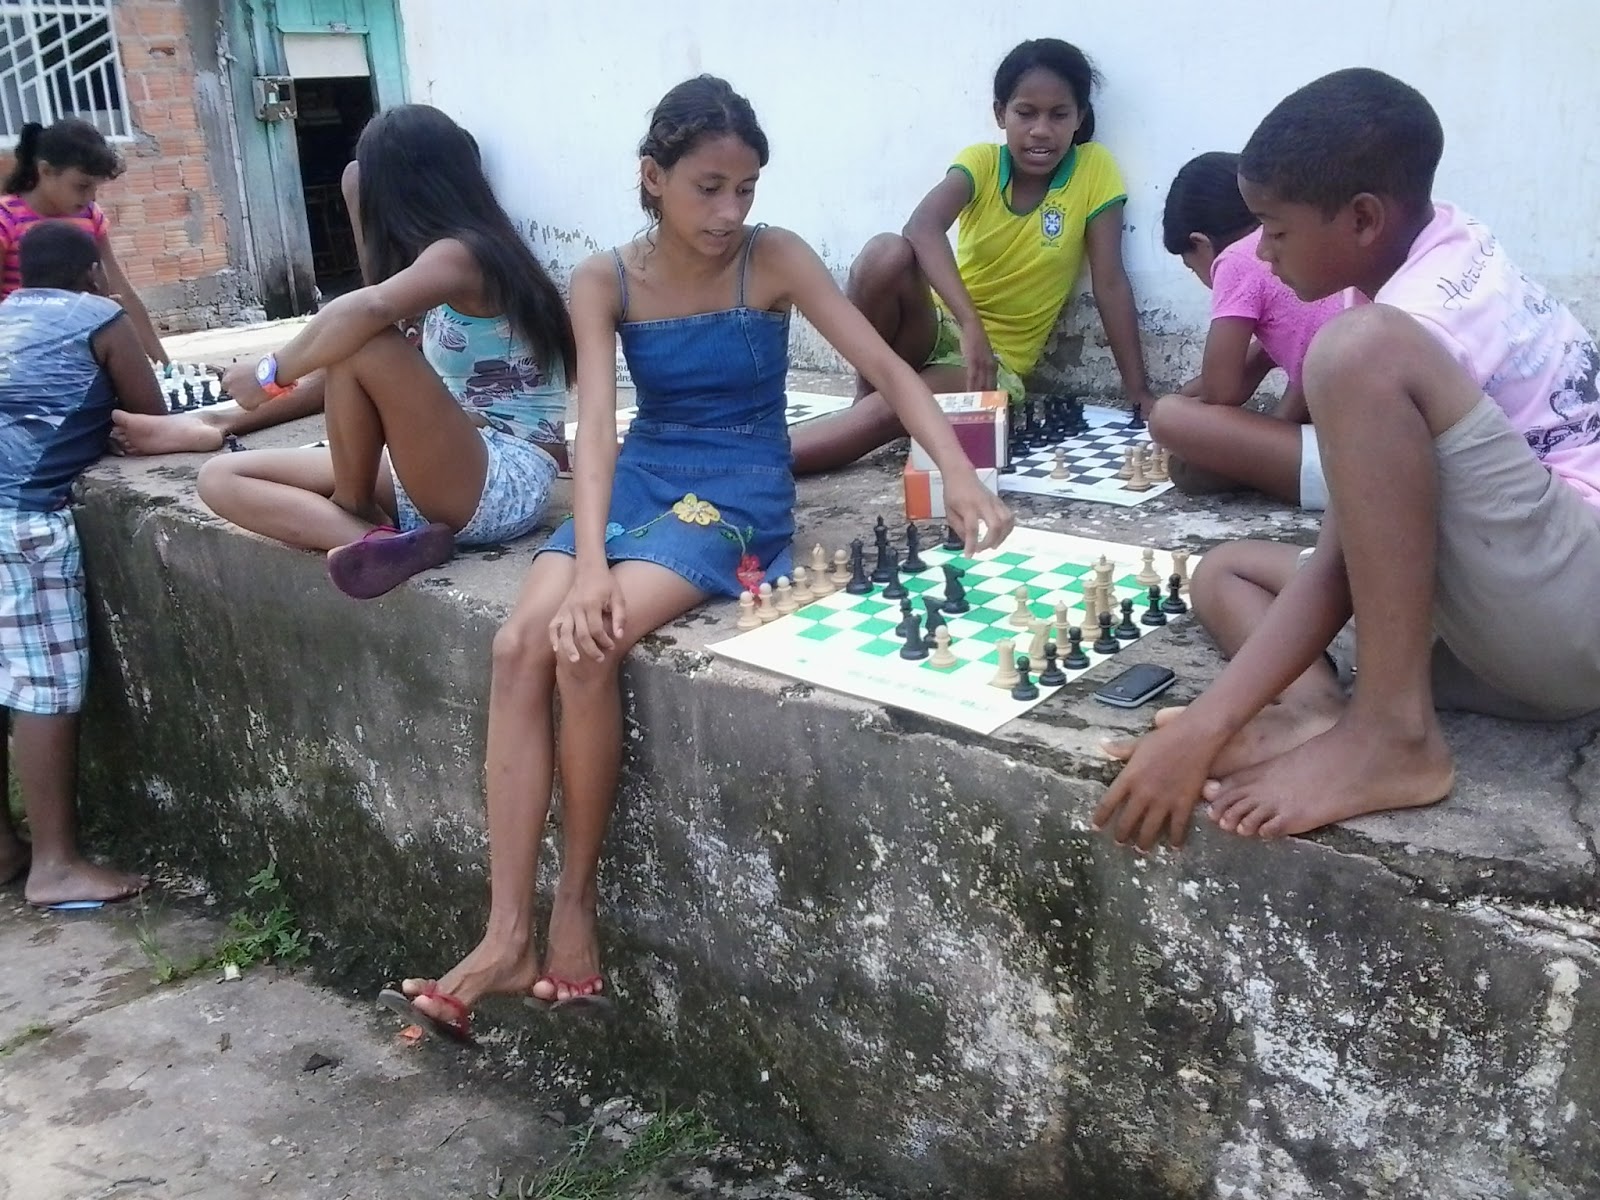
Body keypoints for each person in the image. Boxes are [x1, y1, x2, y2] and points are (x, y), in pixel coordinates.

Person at [380, 75, 1014, 1039]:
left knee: (589, 647)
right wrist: (588, 558)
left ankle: (574, 910)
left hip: (738, 494)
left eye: (745, 189)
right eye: (707, 187)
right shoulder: (604, 278)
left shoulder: (777, 259)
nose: (729, 212)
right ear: (653, 178)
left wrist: (956, 469)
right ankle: (505, 932)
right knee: (520, 647)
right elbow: (595, 429)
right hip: (640, 477)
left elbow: (886, 368)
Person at [1093, 68, 1600, 851]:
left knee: (1352, 352)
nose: (1260, 251)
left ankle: (1391, 736)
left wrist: (1203, 726)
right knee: (1225, 570)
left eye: (1276, 227)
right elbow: (1361, 553)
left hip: (1571, 601)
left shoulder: (1409, 322)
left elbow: (1339, 564)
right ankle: (1317, 714)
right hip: (1510, 630)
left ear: (1363, 219)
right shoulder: (1434, 244)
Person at [196, 105, 574, 600]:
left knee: (361, 338)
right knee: (221, 477)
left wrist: (269, 374)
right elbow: (373, 297)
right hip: (442, 472)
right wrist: (357, 186)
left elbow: (367, 310)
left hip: (503, 481)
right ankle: (384, 543)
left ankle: (351, 504)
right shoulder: (439, 257)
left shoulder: (466, 253)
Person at [791, 37, 1154, 474]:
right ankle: (867, 396)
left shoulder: (1094, 169)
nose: (1041, 129)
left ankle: (767, 459)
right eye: (1025, 113)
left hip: (992, 364)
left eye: (1059, 115)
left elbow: (1110, 281)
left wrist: (1139, 392)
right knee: (885, 253)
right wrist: (968, 323)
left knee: (897, 409)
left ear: (1079, 117)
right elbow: (921, 227)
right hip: (937, 328)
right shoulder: (982, 162)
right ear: (1000, 113)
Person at [0, 222, 167, 906]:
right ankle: (56, 865)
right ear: (93, 272)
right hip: (24, 522)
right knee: (44, 688)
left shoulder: (6, 312)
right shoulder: (100, 315)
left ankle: (4, 849)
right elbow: (151, 411)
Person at [1147, 152, 1341, 508]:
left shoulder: (1236, 261)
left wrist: (1172, 407)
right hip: (1382, 446)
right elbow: (1302, 380)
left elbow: (1222, 392)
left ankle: (1255, 473)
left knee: (1168, 419)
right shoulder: (1298, 245)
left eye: (1193, 268)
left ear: (1201, 244)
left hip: (1355, 469)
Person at [2, 120, 168, 363]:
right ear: (45, 171)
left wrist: (166, 365)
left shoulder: (90, 215)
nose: (90, 197)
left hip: (83, 347)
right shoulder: (7, 219)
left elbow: (119, 289)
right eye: (82, 186)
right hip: (22, 352)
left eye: (95, 188)